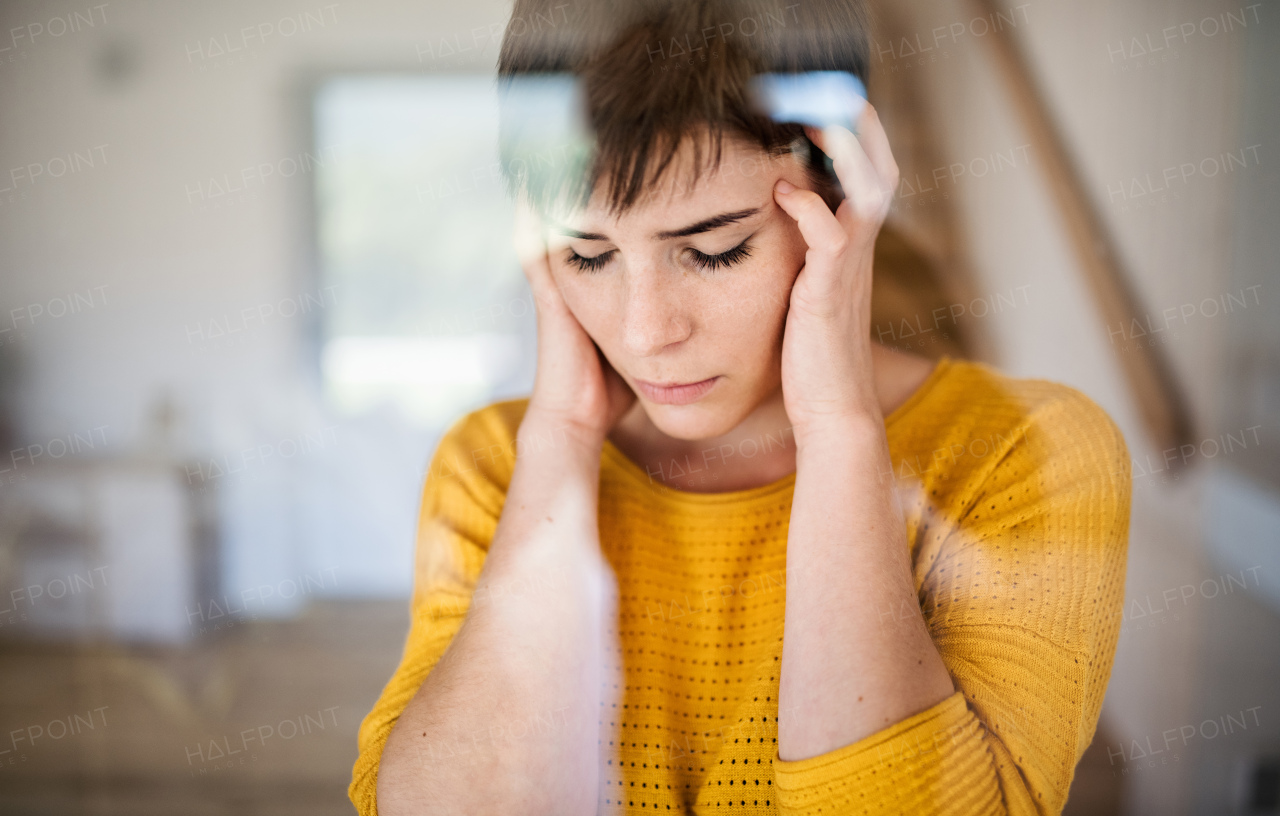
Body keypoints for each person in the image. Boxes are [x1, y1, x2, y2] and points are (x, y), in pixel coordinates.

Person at [351, 0, 1131, 813]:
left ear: (844, 190)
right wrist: (562, 439)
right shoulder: (495, 463)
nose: (647, 332)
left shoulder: (1028, 453)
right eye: (587, 254)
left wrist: (839, 431)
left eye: (715, 249)